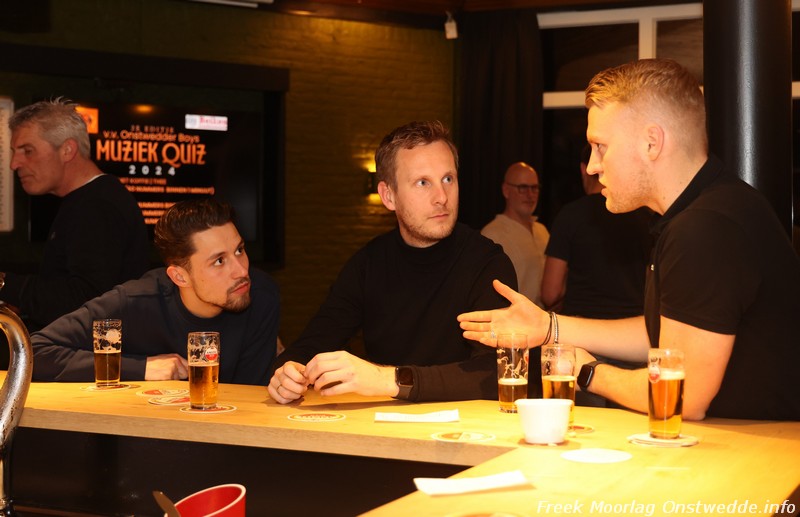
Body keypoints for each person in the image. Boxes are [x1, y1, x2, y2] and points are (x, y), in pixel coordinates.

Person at [458, 58, 800, 421]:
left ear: (652, 143)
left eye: (601, 146)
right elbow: (668, 333)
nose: (593, 166)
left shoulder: (704, 227)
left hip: (765, 445)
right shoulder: (707, 208)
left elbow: (683, 397)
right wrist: (549, 327)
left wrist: (587, 372)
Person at [269, 120, 517, 404]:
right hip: (384, 425)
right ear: (388, 196)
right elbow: (310, 345)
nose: (441, 197)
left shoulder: (487, 264)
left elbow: (495, 373)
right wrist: (286, 374)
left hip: (465, 425)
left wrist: (386, 380)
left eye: (448, 179)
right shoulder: (368, 265)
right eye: (423, 183)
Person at [30, 198, 280, 385]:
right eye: (219, 261)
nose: (241, 270)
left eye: (239, 250)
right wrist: (141, 368)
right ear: (179, 276)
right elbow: (34, 353)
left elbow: (250, 397)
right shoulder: (134, 302)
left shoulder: (260, 295)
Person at [0, 97, 150, 332]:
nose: (14, 164)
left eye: (27, 151)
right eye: (14, 152)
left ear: (67, 150)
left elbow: (87, 302)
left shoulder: (97, 206)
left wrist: (4, 284)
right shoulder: (85, 200)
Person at [541, 143, 652, 318]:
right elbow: (653, 283)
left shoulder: (571, 215)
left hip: (582, 326)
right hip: (632, 327)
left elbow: (550, 293)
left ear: (584, 169)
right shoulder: (645, 216)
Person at [481, 162, 549, 307]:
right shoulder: (492, 234)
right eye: (522, 188)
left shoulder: (542, 231)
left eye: (534, 188)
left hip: (547, 318)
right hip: (514, 319)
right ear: (506, 190)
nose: (530, 195)